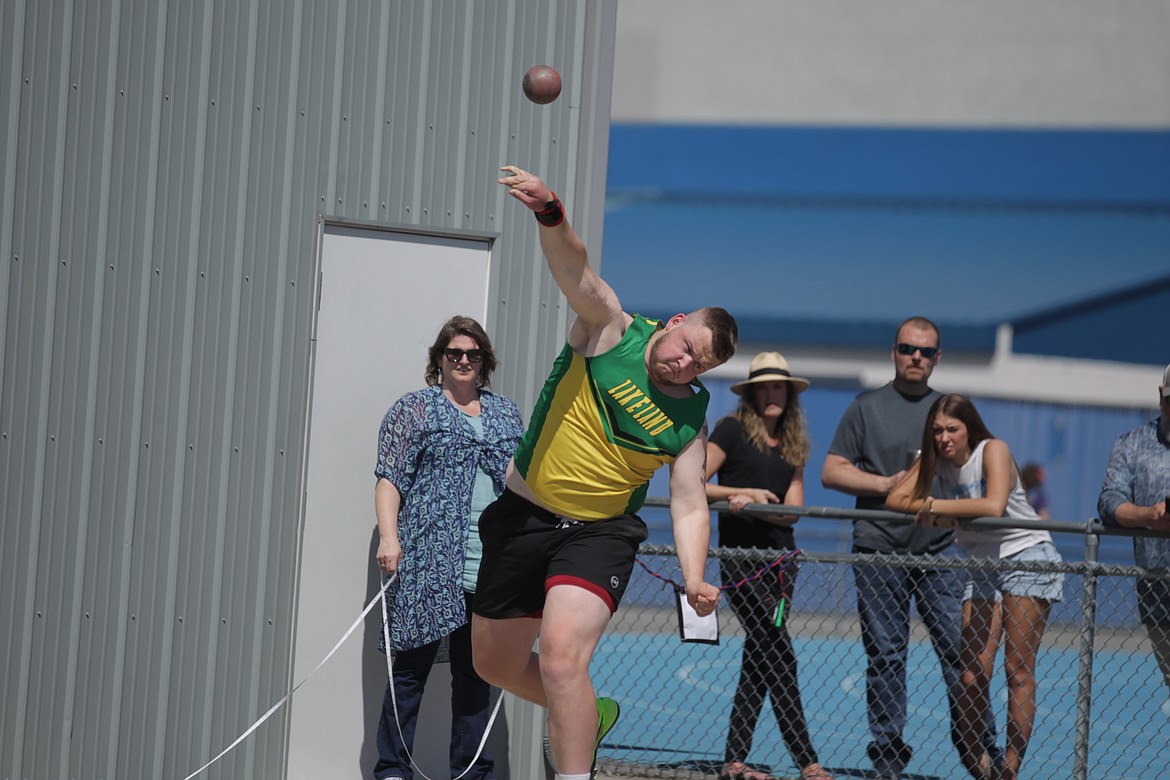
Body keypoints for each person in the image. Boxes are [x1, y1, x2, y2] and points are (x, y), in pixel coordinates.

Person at [471, 165, 738, 780]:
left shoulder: (691, 417)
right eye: (684, 347)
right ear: (674, 323)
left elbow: (690, 501)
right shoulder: (609, 330)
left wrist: (695, 578)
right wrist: (549, 212)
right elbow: (575, 270)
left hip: (599, 534)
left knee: (563, 662)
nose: (682, 365)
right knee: (494, 665)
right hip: (523, 515)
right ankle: (593, 715)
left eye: (698, 364)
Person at [820, 316, 997, 780]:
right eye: (907, 348)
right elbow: (832, 471)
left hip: (941, 553)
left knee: (962, 654)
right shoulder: (865, 407)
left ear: (937, 358)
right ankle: (888, 758)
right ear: (893, 352)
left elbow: (980, 469)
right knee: (885, 655)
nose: (915, 357)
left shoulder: (951, 411)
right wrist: (887, 483)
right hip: (879, 550)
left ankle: (982, 752)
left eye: (925, 351)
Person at [371, 316, 525, 780]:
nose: (463, 361)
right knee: (410, 673)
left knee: (477, 676)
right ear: (439, 359)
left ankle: (471, 772)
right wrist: (389, 535)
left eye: (472, 354)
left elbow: (522, 484)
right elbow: (390, 478)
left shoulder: (506, 414)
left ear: (484, 362)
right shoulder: (414, 410)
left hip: (490, 563)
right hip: (428, 559)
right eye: (453, 353)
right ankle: (392, 769)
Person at [887, 393, 1063, 780]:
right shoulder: (935, 463)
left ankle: (1010, 769)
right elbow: (896, 498)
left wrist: (934, 509)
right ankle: (983, 768)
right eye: (937, 431)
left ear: (969, 428)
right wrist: (935, 509)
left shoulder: (992, 450)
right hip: (982, 564)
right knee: (971, 674)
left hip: (1026, 555)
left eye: (952, 429)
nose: (944, 438)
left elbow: (993, 505)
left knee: (1017, 670)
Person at [704, 352, 832, 780]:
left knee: (761, 654)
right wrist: (742, 494)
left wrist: (756, 508)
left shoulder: (795, 444)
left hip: (782, 564)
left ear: (789, 394)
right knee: (778, 651)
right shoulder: (731, 430)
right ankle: (806, 761)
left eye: (779, 386)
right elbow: (695, 485)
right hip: (742, 563)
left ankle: (734, 761)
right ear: (753, 393)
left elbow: (793, 511)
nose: (772, 393)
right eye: (765, 386)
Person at [1097, 363, 1170, 692]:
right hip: (1156, 587)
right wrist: (1148, 516)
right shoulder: (1132, 444)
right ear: (1160, 396)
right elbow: (1109, 503)